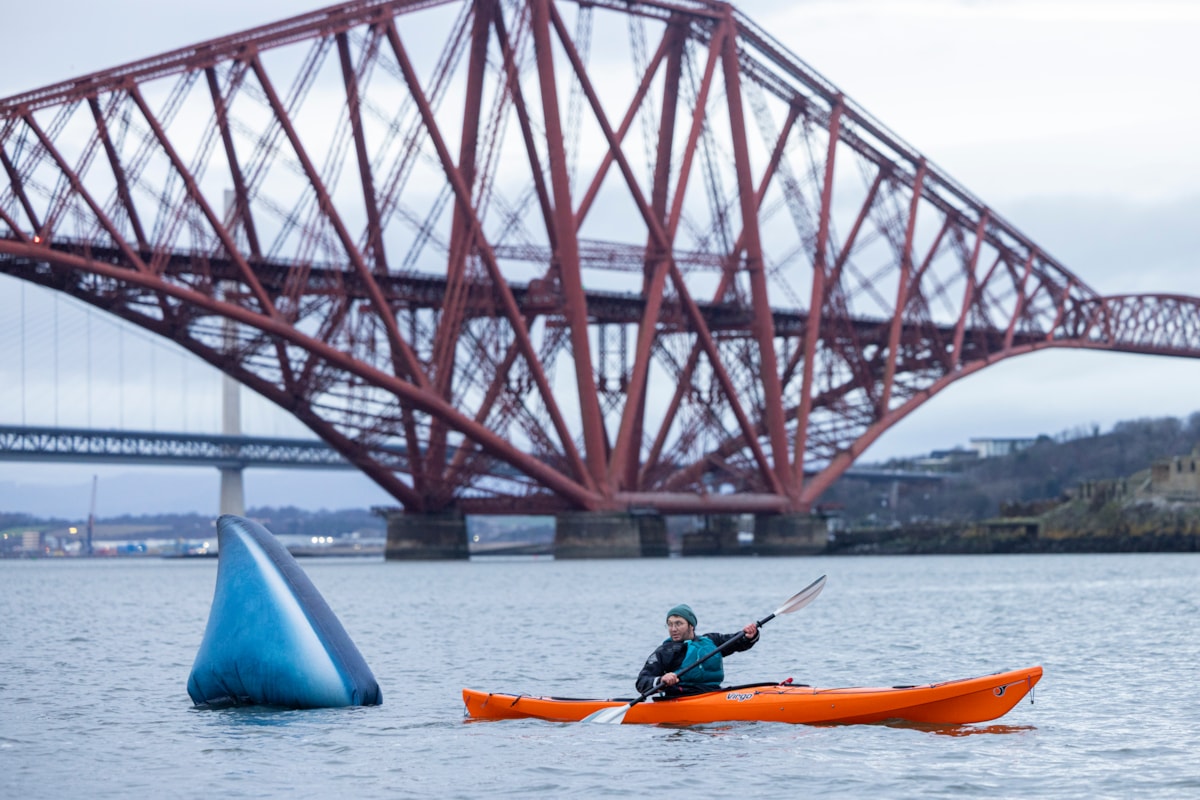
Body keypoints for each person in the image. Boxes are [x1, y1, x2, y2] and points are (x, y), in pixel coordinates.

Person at [635, 603, 759, 697]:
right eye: (670, 624)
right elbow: (642, 682)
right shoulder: (665, 652)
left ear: (691, 626)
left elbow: (737, 642)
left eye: (678, 624)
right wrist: (661, 680)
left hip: (713, 694)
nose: (673, 629)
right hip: (683, 697)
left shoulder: (711, 641)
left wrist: (749, 635)